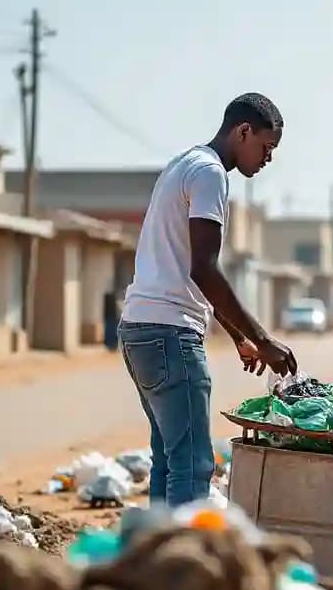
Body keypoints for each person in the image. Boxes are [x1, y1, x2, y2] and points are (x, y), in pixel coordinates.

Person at [119, 92, 298, 508]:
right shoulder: (211, 175)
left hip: (139, 329)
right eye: (265, 148)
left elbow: (190, 270)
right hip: (169, 335)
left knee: (169, 459)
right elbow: (205, 268)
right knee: (195, 463)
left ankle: (161, 563)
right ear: (243, 131)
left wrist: (238, 336)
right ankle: (183, 569)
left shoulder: (184, 164)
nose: (267, 159)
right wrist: (263, 338)